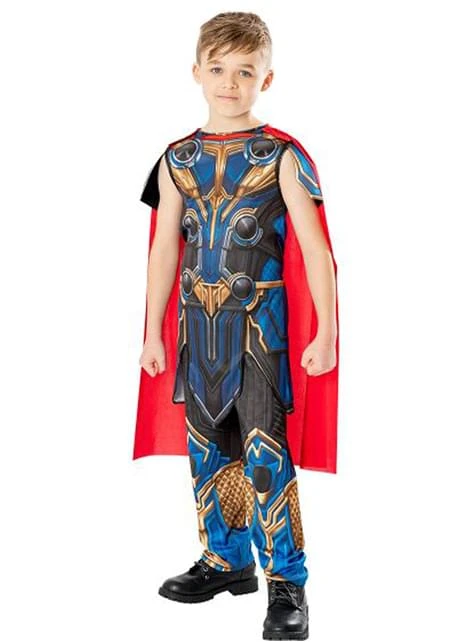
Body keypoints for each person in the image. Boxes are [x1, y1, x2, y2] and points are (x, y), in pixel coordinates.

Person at [134, 11, 339, 641]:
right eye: (218, 69)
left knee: (264, 454)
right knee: (208, 449)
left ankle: (287, 582)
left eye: (245, 71)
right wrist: (152, 331)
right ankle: (226, 560)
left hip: (260, 331)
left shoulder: (282, 157)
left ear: (266, 79)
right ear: (197, 72)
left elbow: (316, 250)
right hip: (196, 328)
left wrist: (326, 331)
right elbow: (164, 249)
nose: (230, 82)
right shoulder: (177, 158)